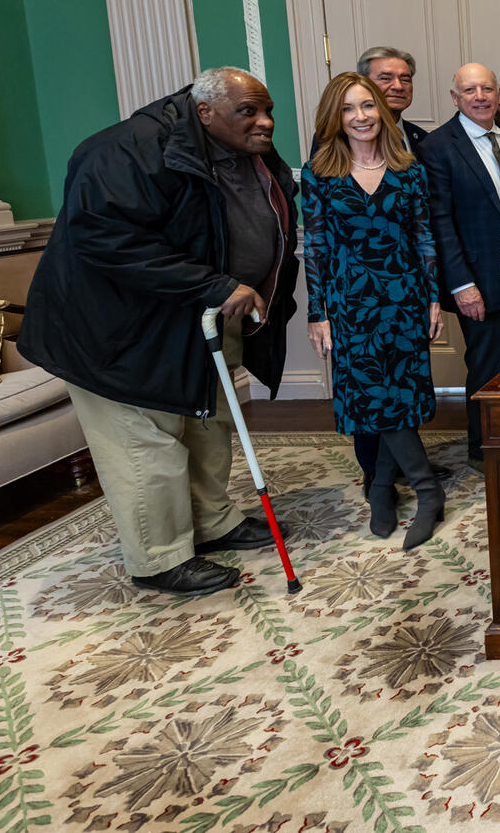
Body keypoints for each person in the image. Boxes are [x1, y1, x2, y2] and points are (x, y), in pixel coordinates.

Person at [19, 68, 298, 597]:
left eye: (268, 111)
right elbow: (105, 240)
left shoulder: (240, 144)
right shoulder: (125, 151)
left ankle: (213, 521)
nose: (266, 122)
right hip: (119, 331)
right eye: (250, 111)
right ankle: (159, 556)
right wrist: (215, 283)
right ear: (205, 111)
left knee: (207, 421)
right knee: (144, 440)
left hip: (193, 318)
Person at [302, 73, 445, 549]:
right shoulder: (318, 172)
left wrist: (432, 297)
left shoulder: (409, 169)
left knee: (395, 395)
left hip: (403, 298)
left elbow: (422, 237)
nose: (360, 117)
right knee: (373, 394)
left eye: (367, 106)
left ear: (381, 112)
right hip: (349, 305)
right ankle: (425, 489)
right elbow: (316, 247)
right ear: (335, 118)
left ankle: (384, 487)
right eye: (348, 109)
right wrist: (316, 312)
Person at [420, 62, 500, 462]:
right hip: (479, 283)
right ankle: (483, 451)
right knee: (486, 369)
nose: (480, 97)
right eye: (470, 90)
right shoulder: (437, 147)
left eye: (487, 89)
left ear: (497, 96)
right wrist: (462, 285)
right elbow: (440, 223)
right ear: (455, 98)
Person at [356, 45, 429, 156]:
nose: (398, 86)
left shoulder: (424, 140)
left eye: (405, 79)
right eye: (385, 78)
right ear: (364, 84)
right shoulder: (335, 140)